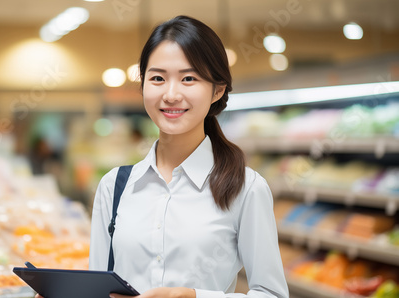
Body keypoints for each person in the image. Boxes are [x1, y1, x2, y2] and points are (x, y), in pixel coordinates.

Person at [37, 15, 289, 298]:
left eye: (189, 79)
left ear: (217, 90)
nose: (171, 94)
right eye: (157, 78)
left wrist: (193, 296)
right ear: (143, 84)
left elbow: (272, 294)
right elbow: (100, 291)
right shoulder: (114, 187)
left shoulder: (246, 188)